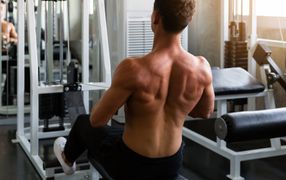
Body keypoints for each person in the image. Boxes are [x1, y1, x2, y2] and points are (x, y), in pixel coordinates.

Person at [54, 0, 215, 179]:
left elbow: (97, 120)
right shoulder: (202, 67)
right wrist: (177, 103)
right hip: (171, 165)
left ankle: (67, 160)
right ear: (189, 20)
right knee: (117, 133)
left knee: (83, 123)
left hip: (131, 165)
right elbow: (205, 112)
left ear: (155, 17)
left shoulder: (133, 68)